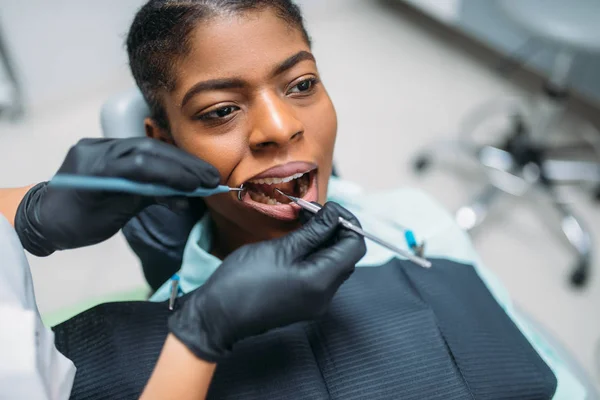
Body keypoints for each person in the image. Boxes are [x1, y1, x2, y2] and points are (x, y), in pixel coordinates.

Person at [1, 0, 585, 398]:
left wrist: (23, 215)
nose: (279, 127)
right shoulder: (158, 330)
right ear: (164, 143)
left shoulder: (416, 220)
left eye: (301, 84)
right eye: (221, 110)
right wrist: (202, 334)